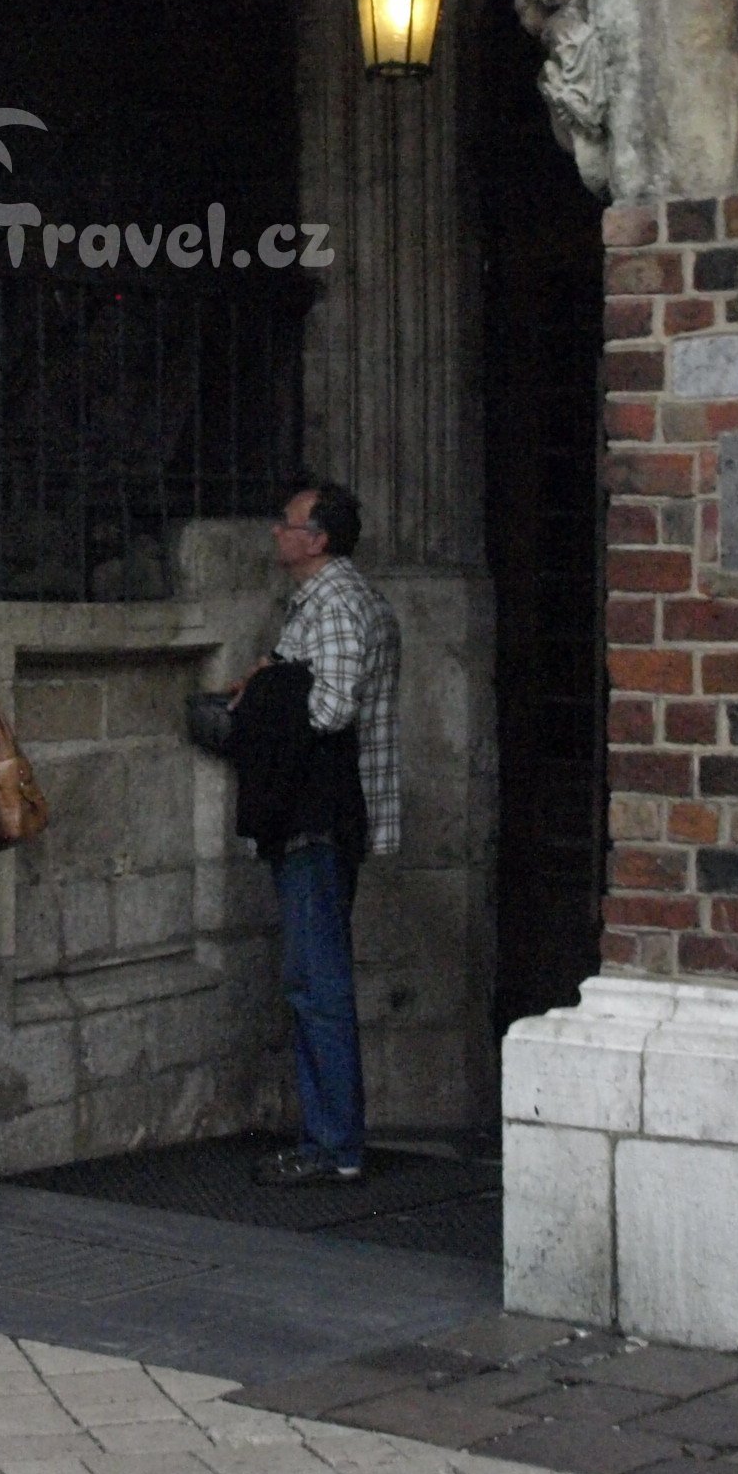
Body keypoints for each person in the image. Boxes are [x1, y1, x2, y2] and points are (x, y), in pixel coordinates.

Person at [251, 478, 399, 1188]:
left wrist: (267, 686)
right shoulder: (338, 599)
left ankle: (334, 1143)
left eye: (288, 523)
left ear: (318, 540)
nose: (276, 531)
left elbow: (331, 709)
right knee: (313, 978)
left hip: (319, 812)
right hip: (325, 810)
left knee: (317, 982)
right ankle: (328, 1137)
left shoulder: (335, 603)